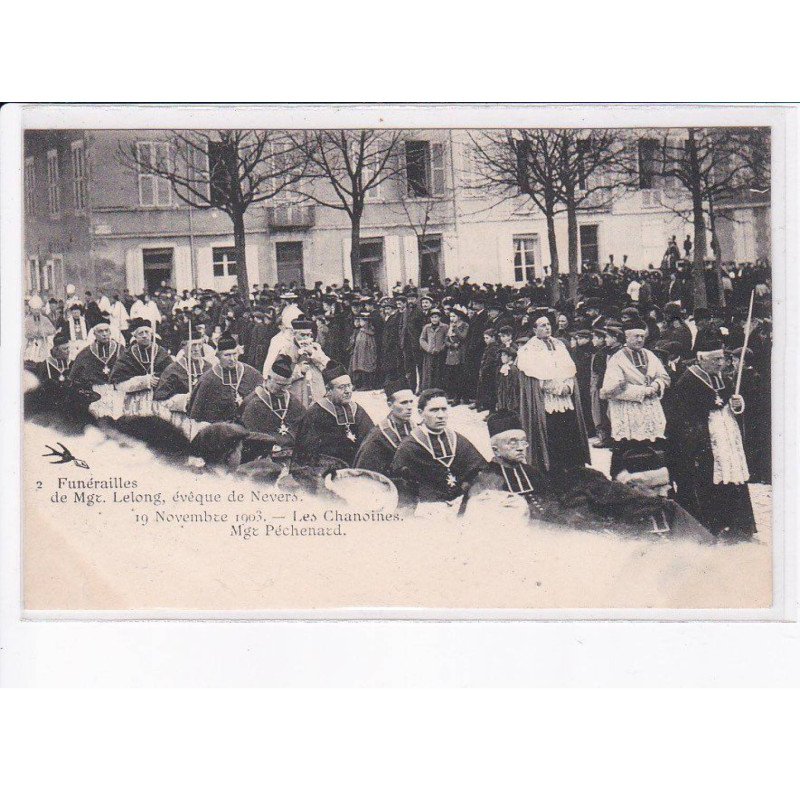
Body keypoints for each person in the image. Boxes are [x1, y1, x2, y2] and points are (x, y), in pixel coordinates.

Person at [665, 331, 756, 539]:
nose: (721, 363)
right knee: (708, 481)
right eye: (715, 359)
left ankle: (737, 524)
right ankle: (712, 525)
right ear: (701, 359)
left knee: (733, 479)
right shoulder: (687, 380)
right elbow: (681, 416)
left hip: (727, 440)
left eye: (722, 358)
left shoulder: (723, 376)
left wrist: (737, 404)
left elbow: (732, 401)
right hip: (705, 442)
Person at [516, 314, 590, 476]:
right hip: (547, 400)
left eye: (548, 324)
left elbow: (569, 369)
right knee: (552, 434)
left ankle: (573, 469)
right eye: (542, 325)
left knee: (569, 432)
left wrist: (568, 387)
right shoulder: (528, 349)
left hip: (565, 397)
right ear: (534, 329)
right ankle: (553, 472)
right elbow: (535, 377)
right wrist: (557, 388)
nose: (547, 327)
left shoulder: (559, 344)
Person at [390, 388, 486, 511]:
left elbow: (479, 471)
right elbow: (403, 491)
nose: (441, 416)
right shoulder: (409, 447)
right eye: (434, 410)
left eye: (444, 409)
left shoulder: (456, 439)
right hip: (427, 509)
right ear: (420, 412)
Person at [600, 318, 671, 479]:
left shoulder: (650, 355)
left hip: (650, 410)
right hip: (628, 413)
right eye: (636, 336)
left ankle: (651, 483)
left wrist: (656, 386)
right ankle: (620, 485)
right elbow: (612, 389)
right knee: (626, 449)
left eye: (642, 336)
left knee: (652, 448)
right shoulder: (617, 359)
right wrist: (643, 391)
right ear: (626, 337)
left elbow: (664, 376)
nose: (640, 340)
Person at [291, 361, 374, 469]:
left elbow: (369, 441)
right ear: (328, 390)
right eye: (341, 387)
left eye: (349, 386)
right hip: (325, 470)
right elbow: (307, 452)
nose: (348, 391)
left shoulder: (357, 410)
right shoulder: (315, 413)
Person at [240, 355, 304, 463]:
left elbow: (303, 427)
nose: (284, 390)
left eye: (287, 385)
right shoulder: (252, 402)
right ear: (268, 378)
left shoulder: (292, 400)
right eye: (280, 385)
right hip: (264, 457)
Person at [188, 333, 262, 424]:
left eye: (234, 354)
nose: (232, 359)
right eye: (227, 355)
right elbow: (196, 413)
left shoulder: (251, 373)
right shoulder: (207, 379)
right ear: (218, 356)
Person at [263, 317, 330, 409]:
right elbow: (279, 377)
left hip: (316, 390)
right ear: (294, 334)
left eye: (309, 335)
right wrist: (299, 371)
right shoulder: (286, 350)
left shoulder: (316, 348)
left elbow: (328, 366)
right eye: (302, 335)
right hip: (298, 392)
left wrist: (314, 355)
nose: (306, 338)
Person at [110, 319, 172, 416]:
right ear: (135, 336)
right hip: (134, 403)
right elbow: (119, 384)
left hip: (157, 402)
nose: (144, 335)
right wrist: (144, 381)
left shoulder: (161, 352)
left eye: (147, 332)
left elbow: (171, 377)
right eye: (140, 333)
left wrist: (159, 381)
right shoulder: (127, 355)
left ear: (151, 334)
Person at [354, 379, 416, 477]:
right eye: (403, 403)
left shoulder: (415, 427)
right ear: (390, 405)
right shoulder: (378, 436)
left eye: (411, 401)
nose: (409, 407)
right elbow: (365, 471)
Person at [68, 319, 123, 418]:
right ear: (94, 334)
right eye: (100, 332)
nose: (104, 334)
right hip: (96, 391)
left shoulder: (120, 349)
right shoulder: (86, 353)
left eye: (106, 331)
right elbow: (75, 375)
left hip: (116, 390)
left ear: (110, 332)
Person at [419, 307, 447, 391]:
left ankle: (439, 390)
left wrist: (441, 348)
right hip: (429, 353)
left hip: (440, 353)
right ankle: (428, 390)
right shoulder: (426, 327)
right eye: (432, 317)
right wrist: (428, 348)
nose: (434, 319)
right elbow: (422, 339)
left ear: (439, 318)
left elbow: (446, 339)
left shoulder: (445, 327)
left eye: (436, 317)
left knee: (439, 372)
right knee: (428, 372)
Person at [349, 311, 378, 389]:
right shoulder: (360, 331)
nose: (360, 322)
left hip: (366, 353)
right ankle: (361, 384)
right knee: (360, 368)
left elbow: (372, 344)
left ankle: (368, 385)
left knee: (366, 368)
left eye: (362, 320)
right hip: (360, 353)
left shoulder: (369, 332)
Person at [24, 296, 56, 365]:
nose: (36, 311)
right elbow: (25, 333)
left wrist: (44, 331)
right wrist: (33, 333)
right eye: (35, 310)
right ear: (31, 309)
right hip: (31, 344)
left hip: (43, 343)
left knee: (43, 360)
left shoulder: (45, 319)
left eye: (38, 309)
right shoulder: (27, 320)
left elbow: (52, 330)